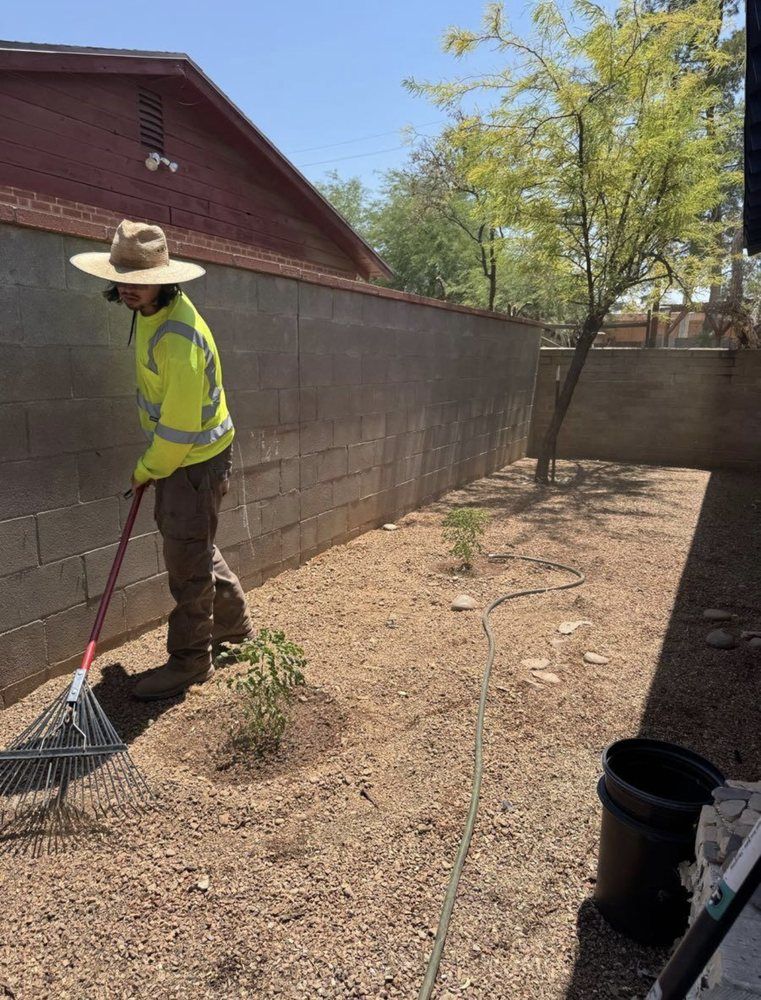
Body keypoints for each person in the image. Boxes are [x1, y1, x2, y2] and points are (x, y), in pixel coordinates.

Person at [70, 220, 253, 700]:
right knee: (197, 546)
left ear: (163, 280)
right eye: (124, 278)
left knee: (186, 563)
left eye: (141, 281)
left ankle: (191, 662)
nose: (130, 289)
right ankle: (234, 630)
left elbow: (178, 430)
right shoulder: (155, 313)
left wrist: (146, 468)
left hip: (189, 463)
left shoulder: (176, 336)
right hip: (189, 459)